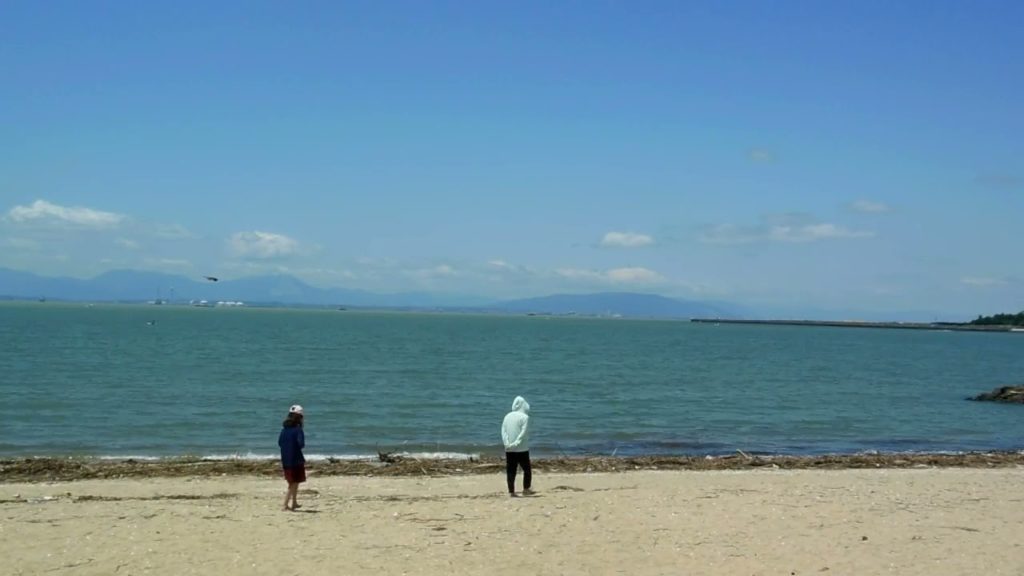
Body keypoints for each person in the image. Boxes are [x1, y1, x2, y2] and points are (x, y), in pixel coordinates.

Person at [501, 396, 532, 497]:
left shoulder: (507, 416)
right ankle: (526, 489)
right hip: (522, 449)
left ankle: (511, 491)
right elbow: (523, 434)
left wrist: (507, 443)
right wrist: (515, 444)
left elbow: (503, 431)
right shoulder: (525, 417)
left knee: (511, 470)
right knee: (527, 470)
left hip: (509, 449)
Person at [278, 404, 306, 511]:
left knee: (294, 481)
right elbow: (301, 444)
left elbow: (280, 443)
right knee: (294, 482)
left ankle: (294, 502)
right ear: (299, 418)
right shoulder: (298, 429)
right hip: (296, 459)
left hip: (285, 459)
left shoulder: (284, 429)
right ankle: (285, 505)